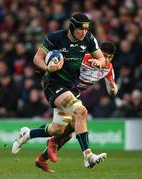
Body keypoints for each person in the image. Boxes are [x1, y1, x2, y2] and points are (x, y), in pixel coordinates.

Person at [12, 13, 107, 171]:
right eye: (80, 29)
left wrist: (99, 61)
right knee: (80, 111)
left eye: (86, 29)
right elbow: (37, 59)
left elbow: (102, 59)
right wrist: (48, 68)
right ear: (72, 26)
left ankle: (27, 134)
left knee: (58, 130)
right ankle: (88, 156)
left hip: (71, 87)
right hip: (53, 84)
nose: (83, 32)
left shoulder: (89, 39)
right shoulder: (55, 37)